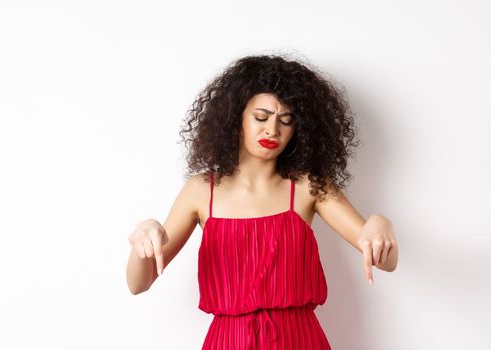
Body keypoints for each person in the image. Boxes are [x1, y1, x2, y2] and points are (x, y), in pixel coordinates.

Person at [125, 54, 399, 349]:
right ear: (235, 117)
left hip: (299, 340)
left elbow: (387, 262)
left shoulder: (308, 187)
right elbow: (138, 284)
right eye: (261, 117)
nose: (273, 130)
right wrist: (144, 235)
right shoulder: (202, 191)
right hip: (229, 341)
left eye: (286, 121)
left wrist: (381, 224)